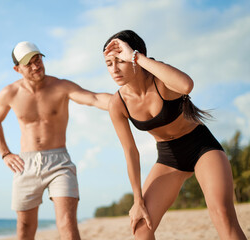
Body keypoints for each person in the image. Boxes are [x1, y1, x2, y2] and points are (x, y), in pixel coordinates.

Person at [103, 30, 246, 240]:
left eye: (120, 60)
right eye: (108, 63)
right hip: (169, 158)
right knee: (141, 229)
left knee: (222, 215)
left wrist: (137, 57)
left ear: (134, 57)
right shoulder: (117, 104)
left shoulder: (161, 81)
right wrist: (137, 200)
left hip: (201, 147)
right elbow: (130, 152)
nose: (114, 69)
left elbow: (187, 85)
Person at [0, 41, 111, 240]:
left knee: (67, 224)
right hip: (25, 164)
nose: (36, 66)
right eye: (29, 63)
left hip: (59, 162)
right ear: (17, 68)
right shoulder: (10, 93)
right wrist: (5, 153)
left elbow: (94, 99)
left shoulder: (61, 86)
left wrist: (123, 101)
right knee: (25, 229)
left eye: (38, 59)